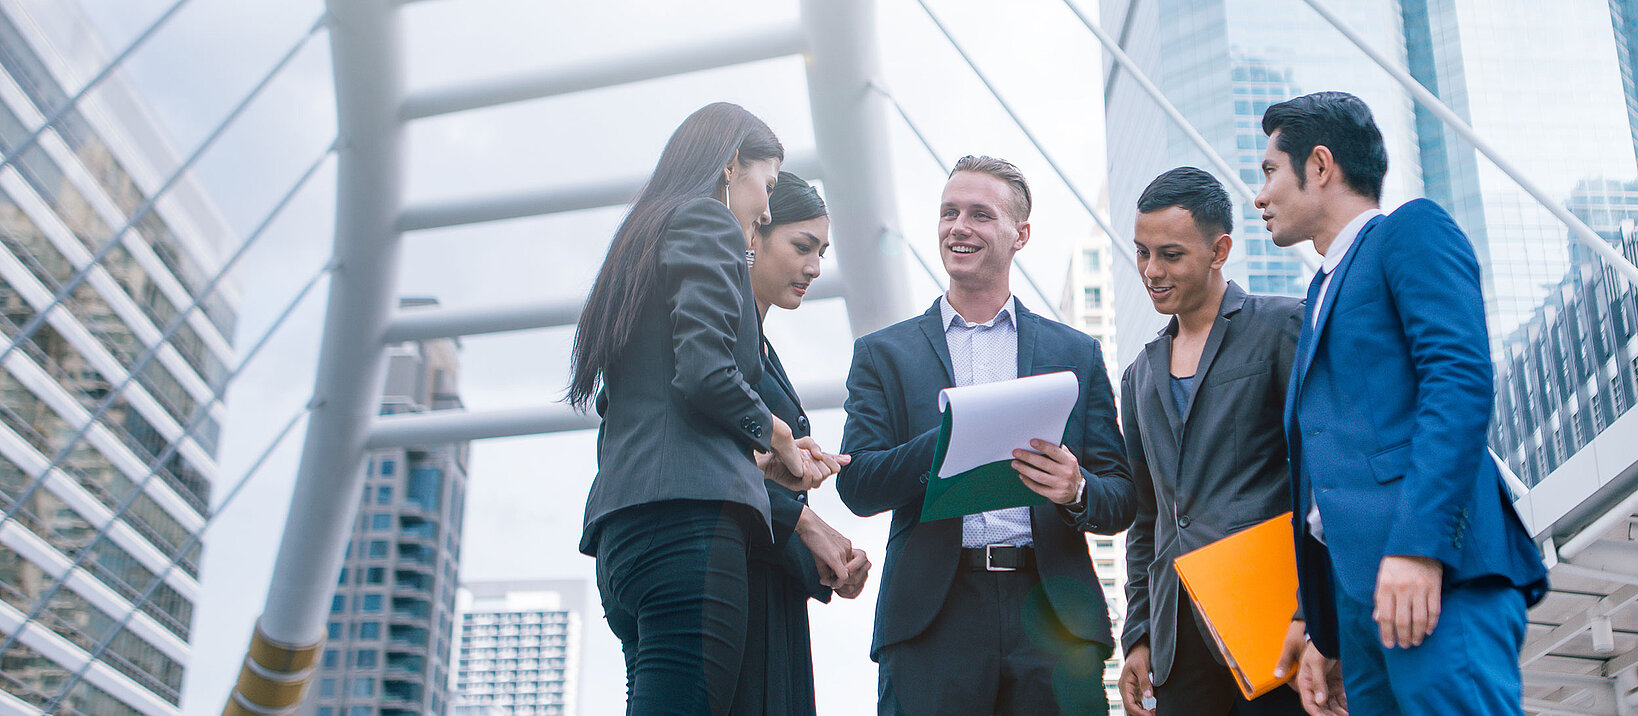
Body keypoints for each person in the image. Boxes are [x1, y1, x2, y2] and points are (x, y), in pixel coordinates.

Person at [1254, 91, 1549, 716]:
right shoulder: (1319, 294)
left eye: (1270, 171)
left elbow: (1459, 381)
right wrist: (1323, 625)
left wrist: (1419, 546)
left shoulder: (1408, 233)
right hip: (1362, 602)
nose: (1259, 196)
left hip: (1435, 575)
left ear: (1321, 165)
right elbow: (1330, 469)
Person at [569, 102, 841, 716]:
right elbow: (704, 371)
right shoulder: (707, 224)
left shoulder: (638, 245)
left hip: (624, 538)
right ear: (729, 167)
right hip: (687, 533)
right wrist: (780, 441)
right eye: (766, 185)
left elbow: (647, 402)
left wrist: (763, 461)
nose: (767, 207)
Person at [838, 154, 1136, 716]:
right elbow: (859, 487)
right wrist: (955, 440)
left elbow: (1120, 497)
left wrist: (1076, 488)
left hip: (1052, 617)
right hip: (933, 619)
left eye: (979, 214)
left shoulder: (1074, 353)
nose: (959, 228)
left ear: (1020, 234)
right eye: (949, 212)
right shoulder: (883, 355)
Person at [1114, 167, 1306, 716]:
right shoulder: (1138, 376)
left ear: (1220, 250)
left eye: (1171, 255)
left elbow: (1320, 477)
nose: (1152, 271)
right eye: (1142, 252)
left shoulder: (1281, 325)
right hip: (1179, 640)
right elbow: (1147, 518)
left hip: (1272, 622)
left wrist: (1313, 612)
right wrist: (1140, 634)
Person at [732, 171, 872, 716]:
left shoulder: (762, 350)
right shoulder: (722, 350)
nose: (815, 267)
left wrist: (827, 563)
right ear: (754, 236)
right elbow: (713, 467)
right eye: (801, 246)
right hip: (734, 587)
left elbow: (755, 476)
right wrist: (810, 529)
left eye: (822, 251)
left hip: (772, 590)